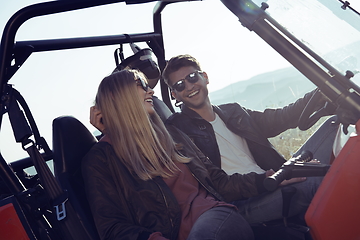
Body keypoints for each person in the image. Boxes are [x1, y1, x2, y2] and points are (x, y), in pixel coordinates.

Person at [82, 69, 267, 240]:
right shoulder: (101, 159)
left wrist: (265, 180)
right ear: (118, 96)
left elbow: (218, 182)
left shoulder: (172, 134)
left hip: (213, 215)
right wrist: (114, 133)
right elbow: (113, 228)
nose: (151, 92)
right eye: (142, 86)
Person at [161, 54, 339, 224]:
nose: (189, 86)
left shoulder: (233, 111)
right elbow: (217, 184)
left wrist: (320, 93)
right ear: (174, 95)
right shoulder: (178, 129)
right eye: (179, 85)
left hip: (275, 178)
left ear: (205, 77)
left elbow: (281, 118)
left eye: (192, 77)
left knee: (336, 124)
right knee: (318, 180)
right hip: (245, 203)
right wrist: (266, 179)